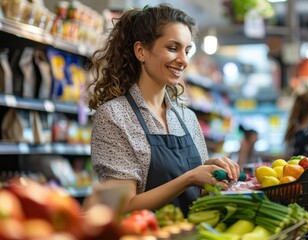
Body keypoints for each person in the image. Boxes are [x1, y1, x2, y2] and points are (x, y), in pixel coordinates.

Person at [86, 4, 240, 216]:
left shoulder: (187, 118)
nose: (184, 60)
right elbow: (122, 207)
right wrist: (190, 178)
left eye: (187, 51)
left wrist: (214, 177)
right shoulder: (114, 116)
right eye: (172, 48)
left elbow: (197, 196)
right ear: (141, 51)